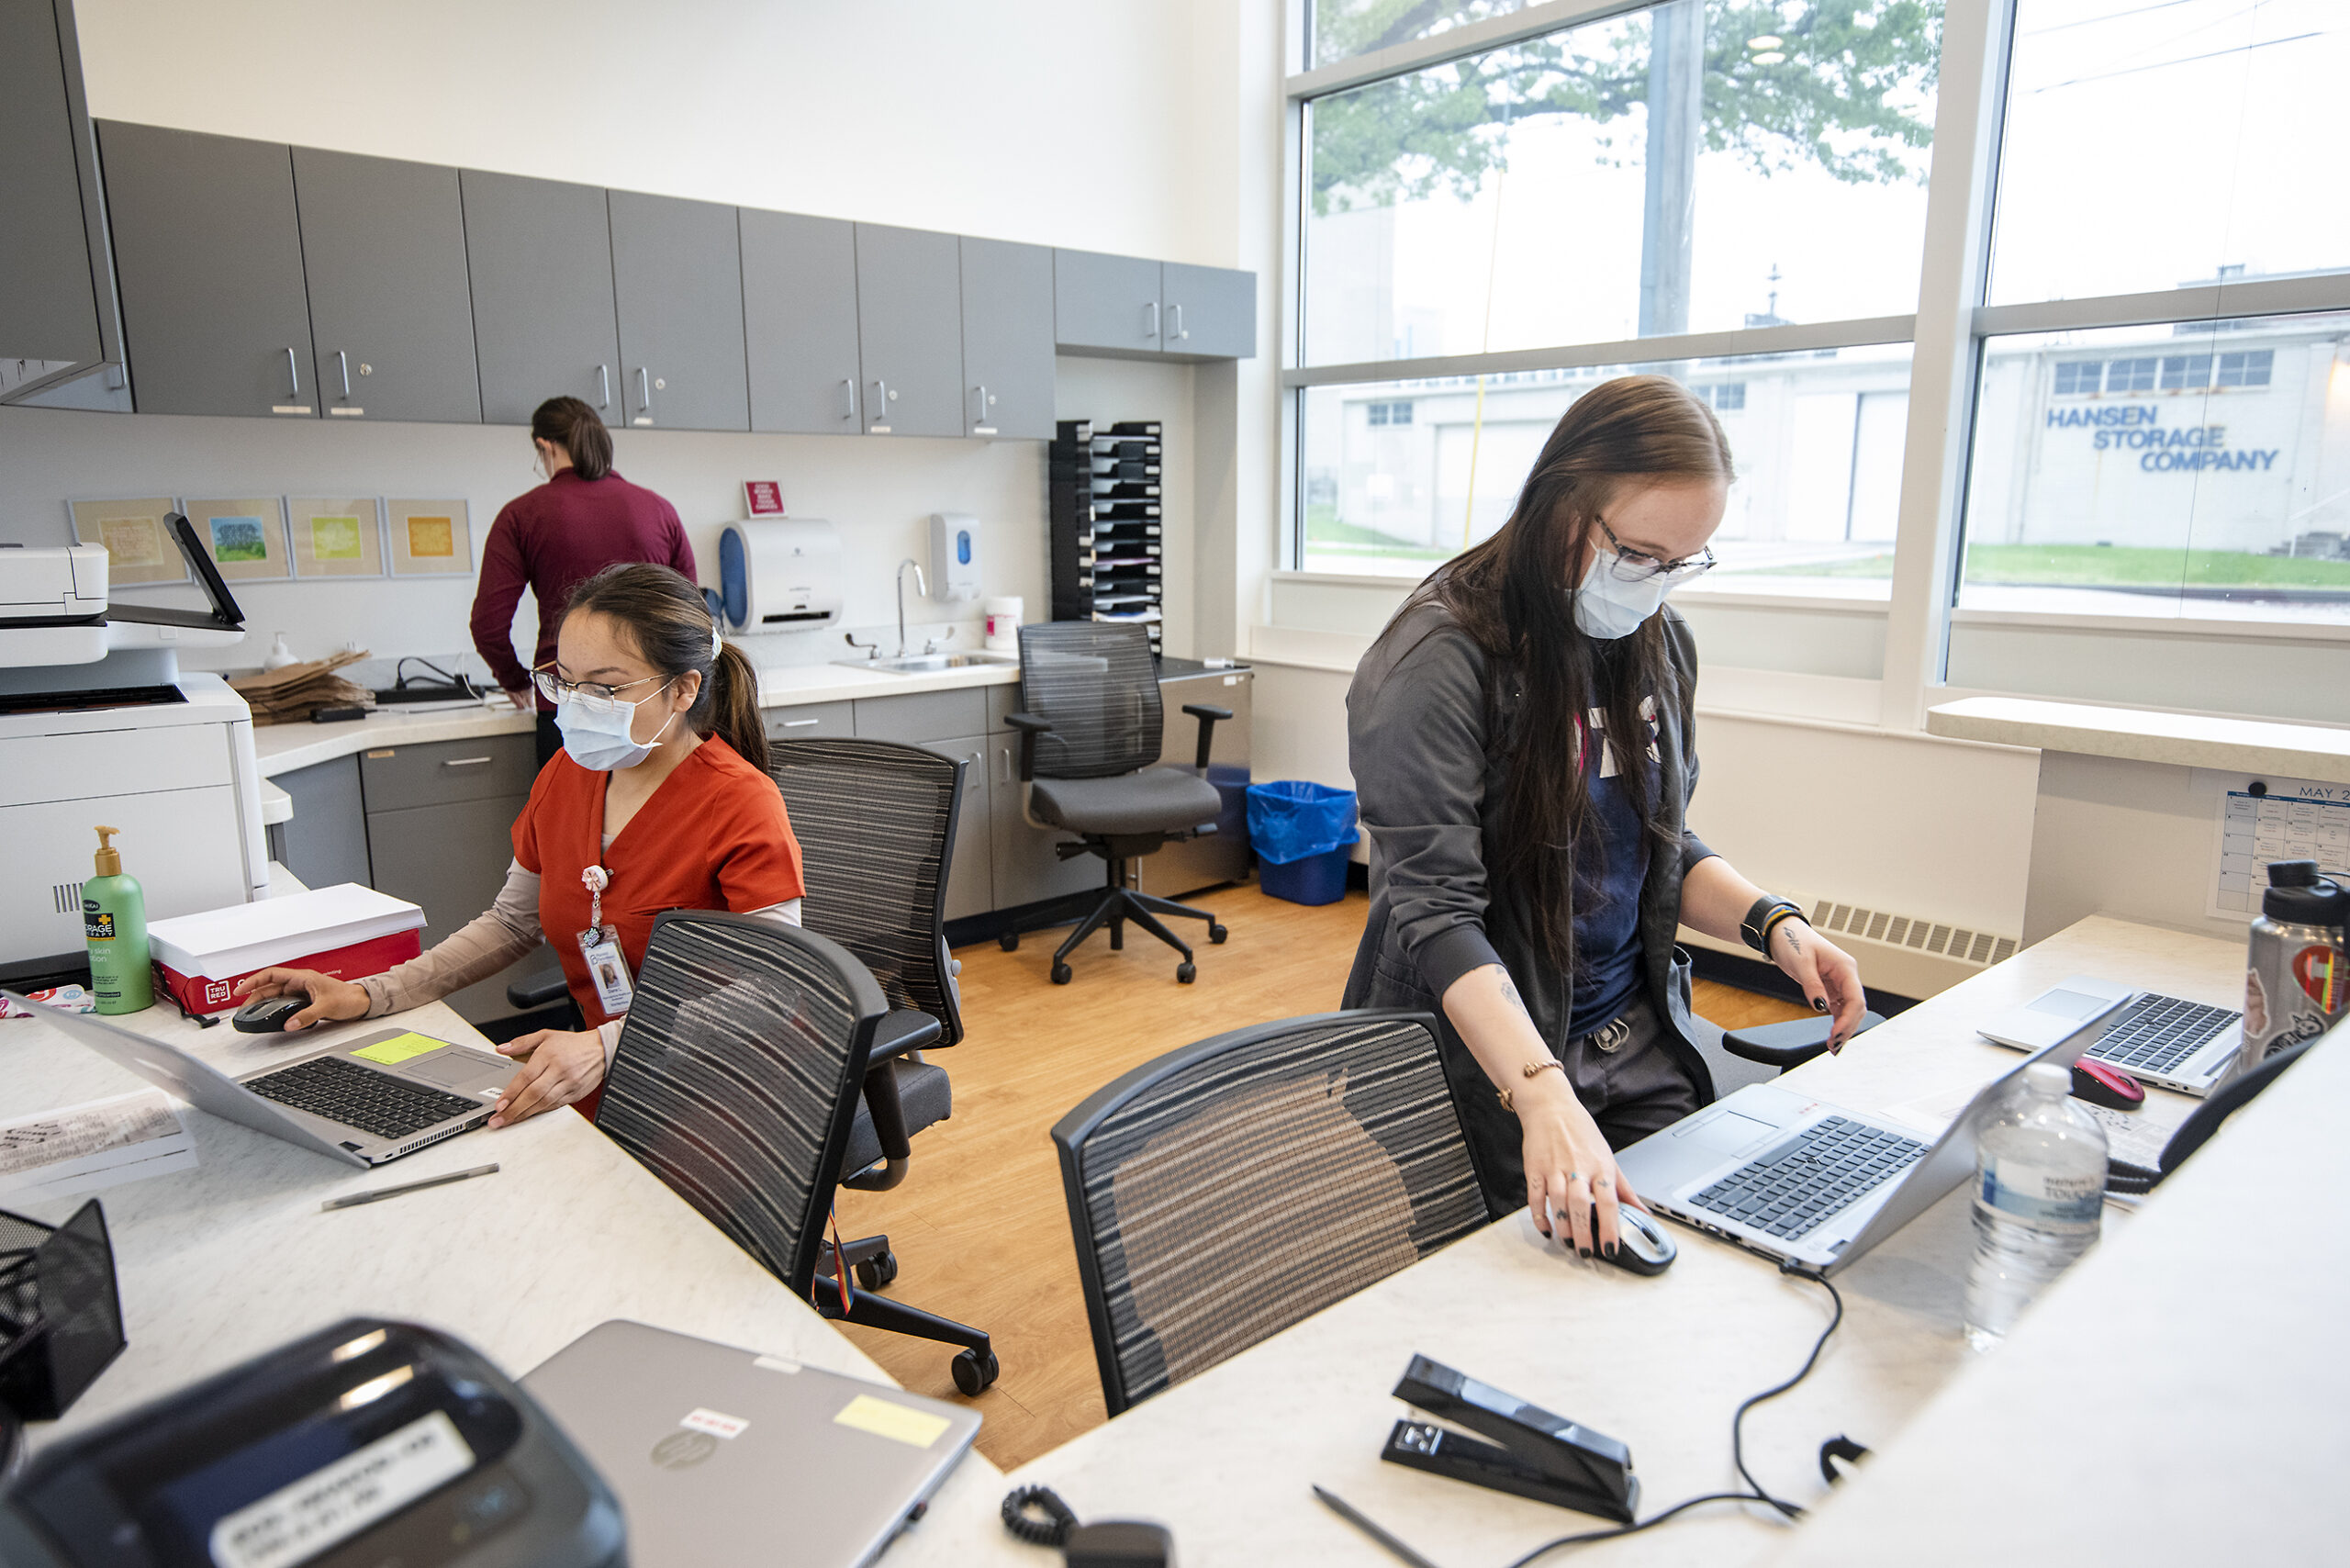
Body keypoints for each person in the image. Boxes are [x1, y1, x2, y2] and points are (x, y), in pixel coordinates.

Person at [1341, 375, 1866, 1264]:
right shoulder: (1438, 659)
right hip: (1486, 1060)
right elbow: (1436, 912)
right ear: (1561, 504)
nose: (1655, 586)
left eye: (1681, 563)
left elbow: (1657, 847)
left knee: (1693, 1264)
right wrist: (1542, 1092)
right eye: (1639, 554)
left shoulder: (1655, 644)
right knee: (1522, 1292)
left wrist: (1771, 923)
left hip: (1633, 1034)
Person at [240, 564, 803, 1126]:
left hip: (725, 1094)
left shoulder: (740, 802)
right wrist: (368, 994)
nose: (577, 705)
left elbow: (775, 992)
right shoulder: (568, 773)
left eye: (605, 688)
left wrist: (606, 1045)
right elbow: (511, 923)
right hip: (601, 1078)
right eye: (566, 681)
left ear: (683, 688)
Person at [471, 396, 698, 767]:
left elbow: (488, 625)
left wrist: (514, 680)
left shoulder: (521, 515)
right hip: (656, 708)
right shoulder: (658, 509)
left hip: (570, 709)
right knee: (664, 823)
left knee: (572, 822)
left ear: (545, 446)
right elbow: (691, 615)